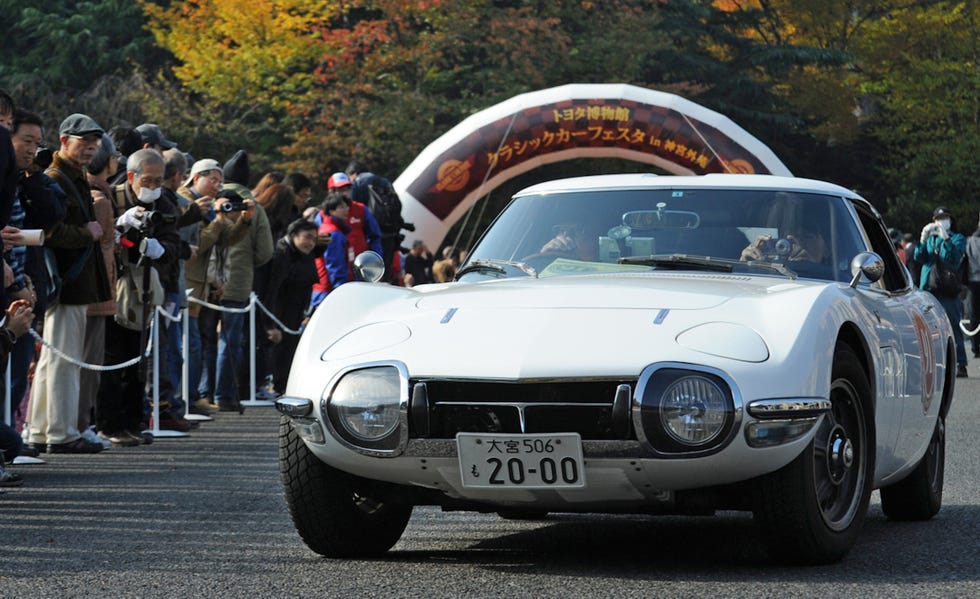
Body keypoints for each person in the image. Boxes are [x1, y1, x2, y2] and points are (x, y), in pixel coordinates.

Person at [24, 113, 111, 454]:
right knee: (63, 359)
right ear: (64, 141)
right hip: (65, 282)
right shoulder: (58, 177)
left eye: (94, 143)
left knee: (56, 358)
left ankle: (45, 430)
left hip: (67, 281)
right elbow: (51, 233)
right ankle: (59, 433)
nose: (90, 148)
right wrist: (86, 233)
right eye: (83, 141)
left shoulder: (67, 175)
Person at [1, 109, 66, 431]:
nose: (31, 149)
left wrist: (35, 176)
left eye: (38, 143)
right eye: (26, 141)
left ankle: (10, 442)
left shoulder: (27, 180)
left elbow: (52, 216)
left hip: (26, 283)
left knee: (18, 372)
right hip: (12, 287)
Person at [177, 163, 249, 413]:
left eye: (220, 182)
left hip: (202, 283)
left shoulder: (207, 203)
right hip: (188, 282)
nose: (218, 186)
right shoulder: (187, 201)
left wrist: (243, 221)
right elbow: (197, 246)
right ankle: (187, 398)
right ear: (195, 177)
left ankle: (191, 397)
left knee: (196, 342)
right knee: (191, 343)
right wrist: (218, 219)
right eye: (214, 180)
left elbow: (227, 238)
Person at [214, 149, 273, 412]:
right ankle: (225, 394)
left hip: (204, 281)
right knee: (230, 339)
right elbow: (265, 252)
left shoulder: (209, 197)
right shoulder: (253, 207)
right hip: (237, 282)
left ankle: (199, 393)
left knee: (201, 340)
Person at [79, 133, 122, 447]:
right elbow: (106, 247)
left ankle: (82, 422)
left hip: (94, 289)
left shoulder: (96, 192)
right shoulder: (100, 199)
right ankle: (81, 424)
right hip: (97, 290)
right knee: (88, 363)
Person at [259, 219, 318, 392]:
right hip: (278, 310)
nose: (311, 243)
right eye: (307, 237)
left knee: (290, 348)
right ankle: (276, 385)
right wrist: (269, 325)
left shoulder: (304, 253)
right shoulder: (282, 254)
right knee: (279, 349)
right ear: (293, 236)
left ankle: (285, 385)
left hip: (295, 308)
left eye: (314, 239)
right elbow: (272, 289)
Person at [914, 207, 968, 377]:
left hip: (948, 289)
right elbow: (919, 257)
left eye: (945, 217)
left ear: (951, 220)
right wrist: (923, 240)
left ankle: (960, 363)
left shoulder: (958, 238)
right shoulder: (931, 238)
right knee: (927, 328)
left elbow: (952, 259)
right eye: (938, 218)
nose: (941, 221)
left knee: (952, 326)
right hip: (929, 288)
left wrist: (945, 239)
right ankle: (932, 364)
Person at [310, 192, 350, 309]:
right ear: (331, 211)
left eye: (346, 206)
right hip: (327, 291)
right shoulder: (334, 233)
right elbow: (334, 266)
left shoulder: (327, 228)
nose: (346, 209)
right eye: (341, 207)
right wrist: (341, 291)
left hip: (322, 289)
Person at [965, 212, 980, 358]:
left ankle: (976, 346)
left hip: (973, 280)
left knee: (974, 314)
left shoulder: (970, 240)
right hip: (975, 280)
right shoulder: (973, 240)